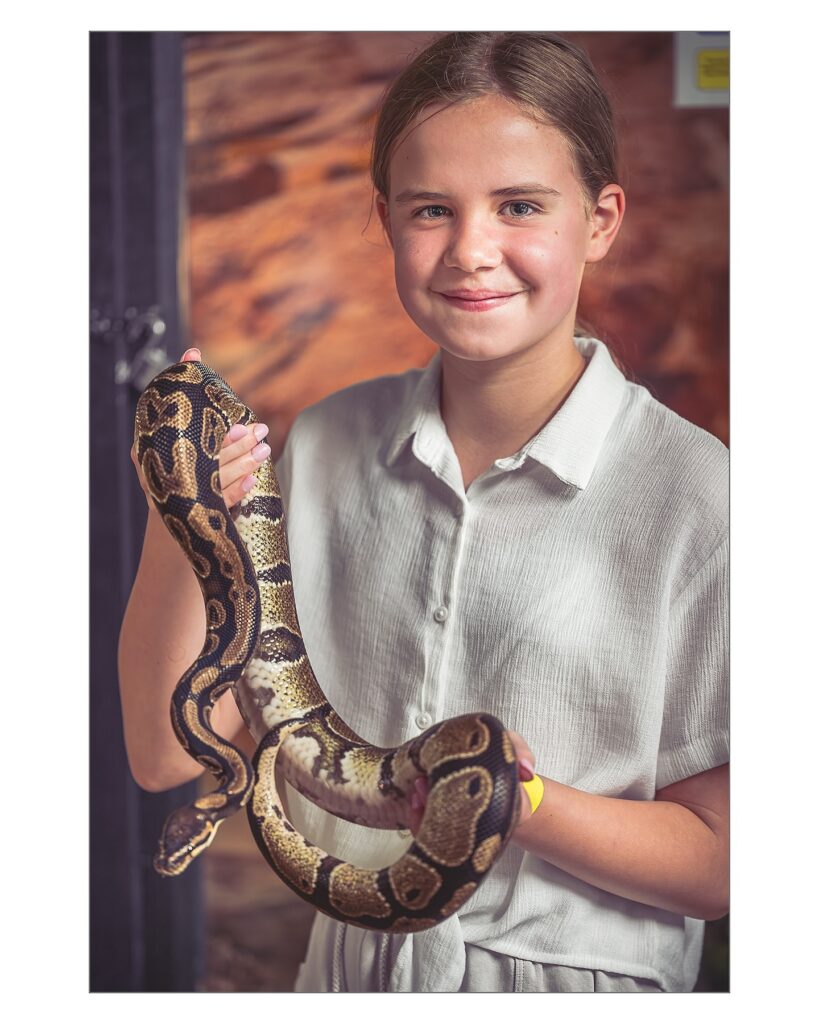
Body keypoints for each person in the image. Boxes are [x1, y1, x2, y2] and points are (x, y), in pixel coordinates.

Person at [119, 31, 728, 993]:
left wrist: (496, 797)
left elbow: (721, 866)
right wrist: (183, 500)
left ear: (601, 220)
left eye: (520, 205)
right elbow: (163, 756)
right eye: (432, 210)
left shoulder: (700, 495)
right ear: (386, 221)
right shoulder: (318, 448)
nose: (471, 250)